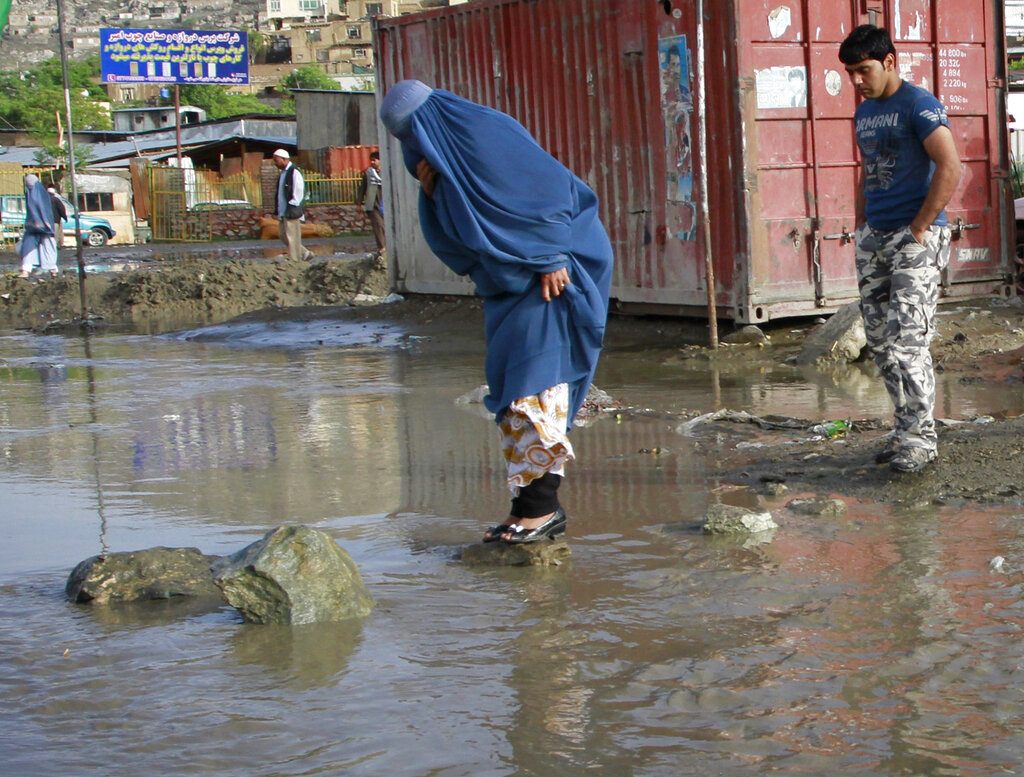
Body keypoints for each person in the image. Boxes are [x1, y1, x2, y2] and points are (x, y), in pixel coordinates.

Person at [379, 79, 613, 544]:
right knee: (513, 396)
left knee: (536, 395)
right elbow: (461, 244)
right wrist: (432, 194)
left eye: (416, 133)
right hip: (510, 287)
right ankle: (526, 507)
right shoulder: (445, 165)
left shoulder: (487, 133)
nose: (415, 148)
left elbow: (549, 188)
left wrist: (548, 254)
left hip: (553, 276)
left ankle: (542, 512)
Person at [839, 25, 961, 473]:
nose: (856, 81)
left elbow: (951, 166)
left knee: (909, 340)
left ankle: (921, 440)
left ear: (890, 61)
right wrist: (860, 224)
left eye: (863, 70)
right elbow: (867, 170)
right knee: (881, 343)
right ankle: (904, 427)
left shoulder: (919, 105)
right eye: (850, 72)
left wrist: (920, 228)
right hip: (875, 236)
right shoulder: (865, 112)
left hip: (916, 238)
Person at [272, 148, 313, 262]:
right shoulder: (283, 173)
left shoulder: (294, 172)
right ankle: (305, 253)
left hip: (291, 210)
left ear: (284, 159)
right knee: (283, 235)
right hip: (284, 210)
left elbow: (298, 191)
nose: (275, 163)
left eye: (276, 160)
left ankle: (296, 260)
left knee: (293, 236)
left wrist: (292, 207)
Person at [17, 174, 58, 278]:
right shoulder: (30, 194)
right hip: (33, 227)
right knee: (28, 247)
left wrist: (44, 223)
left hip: (45, 226)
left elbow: (44, 210)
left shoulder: (41, 194)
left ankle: (53, 269)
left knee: (48, 246)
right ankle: (25, 270)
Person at [358, 150, 386, 253]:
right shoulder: (369, 173)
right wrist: (359, 201)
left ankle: (387, 246)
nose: (372, 162)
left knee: (385, 225)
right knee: (378, 225)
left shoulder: (387, 172)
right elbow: (362, 188)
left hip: (385, 203)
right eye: (371, 160)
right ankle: (382, 247)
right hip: (372, 204)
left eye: (374, 160)